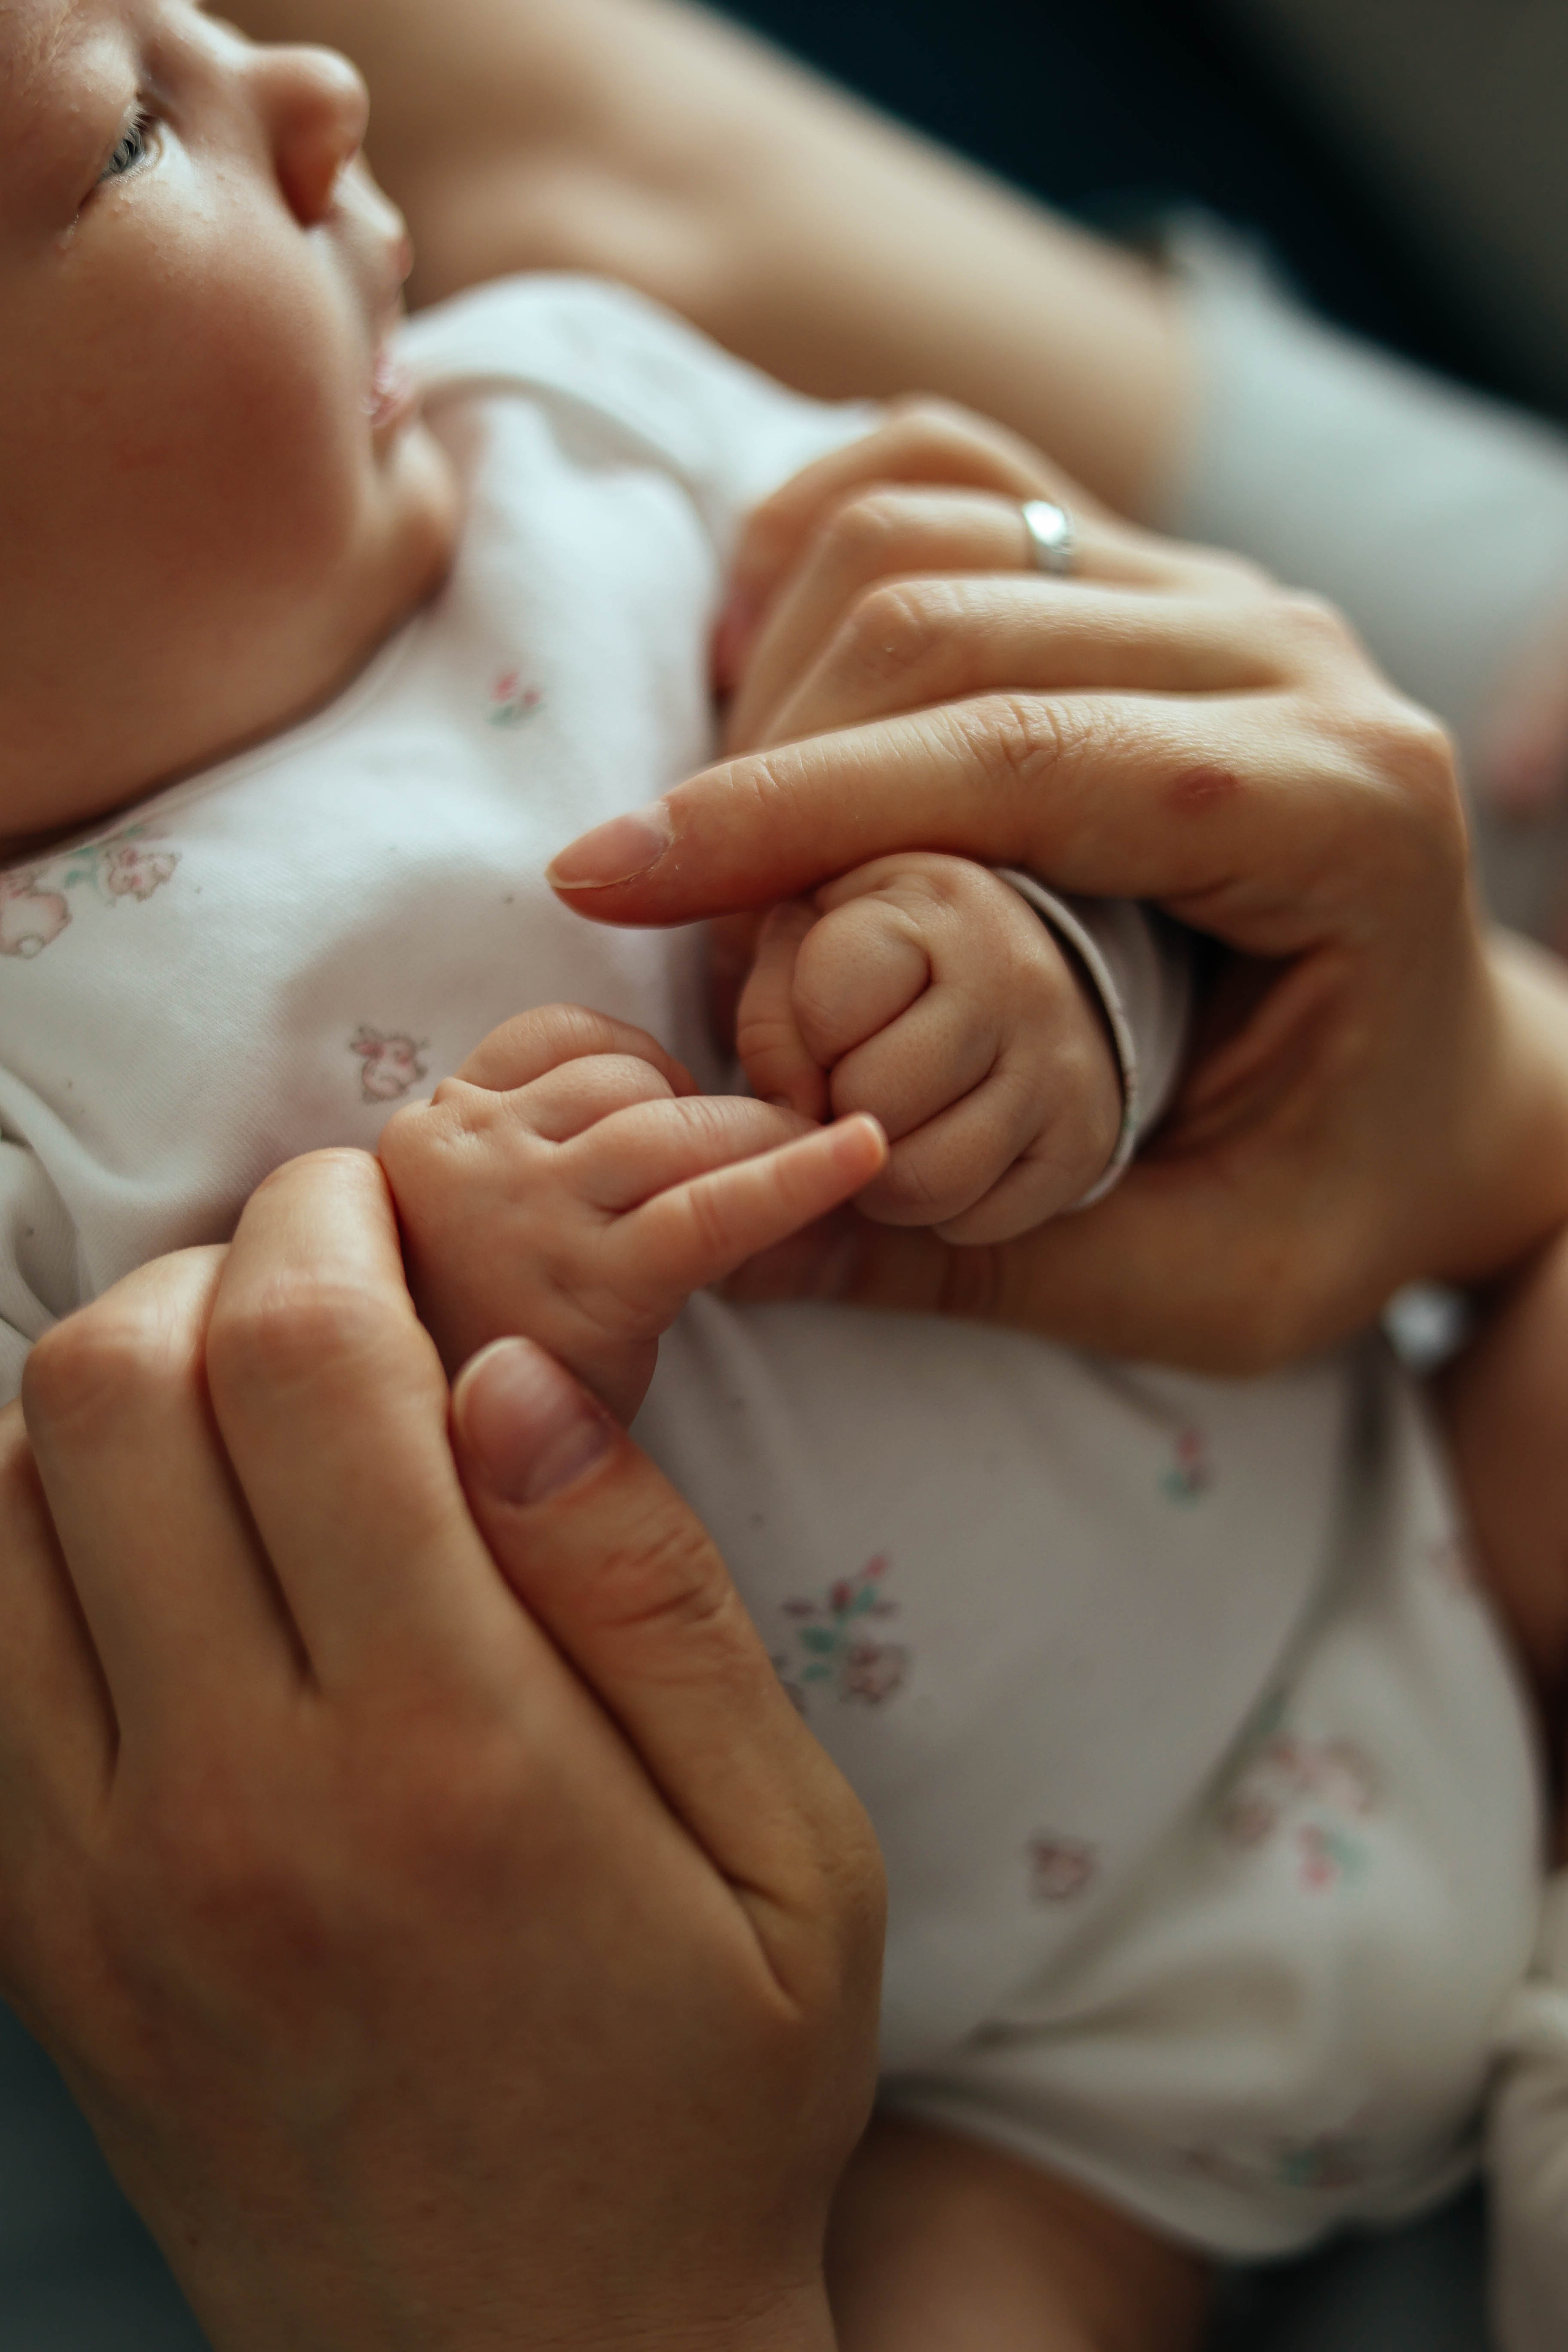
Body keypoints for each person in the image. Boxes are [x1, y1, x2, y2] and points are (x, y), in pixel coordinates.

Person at [3, 7, 1568, 2350]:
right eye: (136, 126)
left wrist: (1032, 961)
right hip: (1002, 2091)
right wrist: (455, 1332)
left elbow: (1089, 752)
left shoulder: (584, 415)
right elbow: (177, 1682)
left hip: (1419, 1516)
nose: (316, 81)